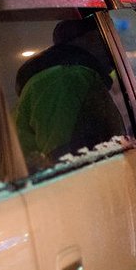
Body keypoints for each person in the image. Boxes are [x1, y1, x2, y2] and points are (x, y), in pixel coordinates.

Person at [15, 18, 125, 167]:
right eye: (103, 38)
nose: (114, 48)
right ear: (86, 39)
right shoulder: (66, 79)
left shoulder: (71, 77)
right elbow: (66, 160)